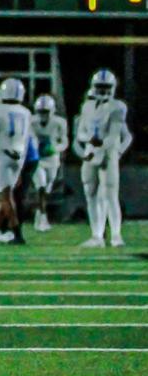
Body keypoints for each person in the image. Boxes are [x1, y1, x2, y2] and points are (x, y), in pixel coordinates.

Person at [73, 67, 133, 248]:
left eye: (107, 86)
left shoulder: (118, 106)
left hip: (107, 154)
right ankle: (97, 235)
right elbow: (81, 133)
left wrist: (107, 150)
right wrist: (89, 143)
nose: (103, 90)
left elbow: (114, 135)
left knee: (110, 195)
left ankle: (116, 235)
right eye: (100, 86)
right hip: (91, 153)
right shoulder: (87, 106)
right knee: (90, 194)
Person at [0, 77, 33, 244]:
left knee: (5, 197)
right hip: (18, 156)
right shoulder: (26, 113)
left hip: (2, 156)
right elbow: (26, 140)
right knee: (5, 195)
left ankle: (17, 233)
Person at [30, 91, 69, 233]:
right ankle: (43, 217)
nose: (43, 114)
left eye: (46, 111)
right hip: (37, 159)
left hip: (52, 159)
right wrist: (35, 148)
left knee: (46, 189)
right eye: (41, 111)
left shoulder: (60, 122)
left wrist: (55, 148)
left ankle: (39, 214)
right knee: (40, 186)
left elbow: (65, 141)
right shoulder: (31, 121)